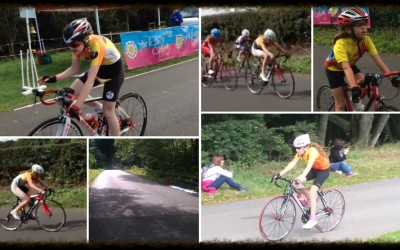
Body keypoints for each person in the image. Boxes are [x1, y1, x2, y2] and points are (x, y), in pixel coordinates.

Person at [38, 18, 125, 136]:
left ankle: (116, 145)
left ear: (85, 39)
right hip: (100, 69)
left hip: (114, 73)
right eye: (68, 45)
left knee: (108, 112)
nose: (72, 48)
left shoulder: (96, 46)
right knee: (73, 92)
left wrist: (77, 106)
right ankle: (97, 107)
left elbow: (90, 81)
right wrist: (53, 78)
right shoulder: (78, 45)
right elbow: (74, 69)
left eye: (74, 44)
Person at [324, 7, 400, 111]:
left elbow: (378, 61)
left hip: (350, 65)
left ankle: (356, 104)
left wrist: (392, 78)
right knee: (340, 104)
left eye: (364, 23)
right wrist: (354, 87)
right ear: (348, 29)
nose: (364, 27)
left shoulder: (366, 40)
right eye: (359, 25)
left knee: (363, 84)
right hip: (334, 70)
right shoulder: (340, 43)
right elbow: (345, 68)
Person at [272, 134, 330, 229]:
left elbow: (308, 167)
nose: (297, 150)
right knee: (295, 184)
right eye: (296, 148)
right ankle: (310, 199)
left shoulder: (313, 152)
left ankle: (312, 219)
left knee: (312, 190)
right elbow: (293, 163)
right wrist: (280, 174)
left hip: (323, 171)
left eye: (298, 148)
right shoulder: (301, 152)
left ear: (305, 146)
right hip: (314, 169)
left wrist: (299, 179)